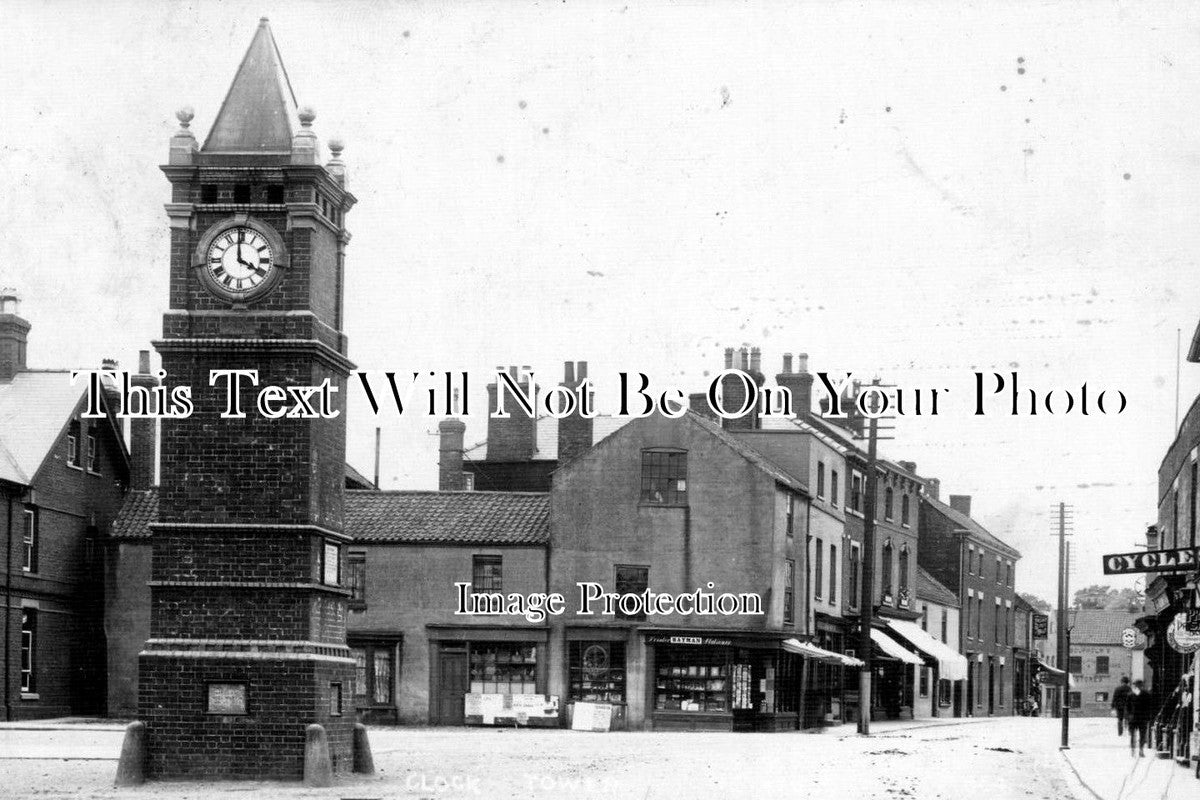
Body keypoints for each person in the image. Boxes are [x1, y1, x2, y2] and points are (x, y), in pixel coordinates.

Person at [1126, 679, 1155, 757]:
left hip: (1133, 718)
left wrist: (1128, 718)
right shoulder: (1147, 694)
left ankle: (1133, 750)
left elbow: (1127, 708)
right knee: (1142, 735)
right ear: (1142, 685)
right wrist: (1148, 717)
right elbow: (1150, 707)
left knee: (1133, 735)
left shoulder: (1130, 695)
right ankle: (1140, 750)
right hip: (1142, 718)